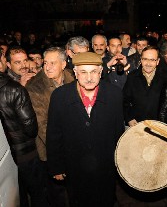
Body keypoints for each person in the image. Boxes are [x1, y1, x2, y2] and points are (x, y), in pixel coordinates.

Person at [46, 52, 124, 206]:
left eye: (94, 72)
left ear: (101, 72)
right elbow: (54, 134)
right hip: (74, 166)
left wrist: (120, 162)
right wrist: (56, 166)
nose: (89, 78)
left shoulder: (114, 94)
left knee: (106, 199)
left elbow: (118, 131)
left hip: (105, 166)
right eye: (83, 72)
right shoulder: (60, 96)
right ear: (75, 73)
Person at [26, 47, 74, 207]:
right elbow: (43, 126)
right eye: (46, 63)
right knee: (57, 193)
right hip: (51, 150)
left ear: (63, 64)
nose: (47, 67)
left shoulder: (72, 78)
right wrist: (61, 154)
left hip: (73, 145)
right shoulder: (35, 87)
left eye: (53, 63)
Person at [0, 72, 48, 207]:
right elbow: (31, 128)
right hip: (26, 153)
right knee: (37, 192)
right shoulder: (14, 89)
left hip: (7, 155)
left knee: (17, 196)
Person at [123, 46, 167, 127]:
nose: (148, 63)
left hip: (159, 126)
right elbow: (125, 101)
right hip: (137, 125)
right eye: (145, 59)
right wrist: (129, 118)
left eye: (152, 60)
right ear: (141, 60)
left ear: (158, 61)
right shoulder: (132, 77)